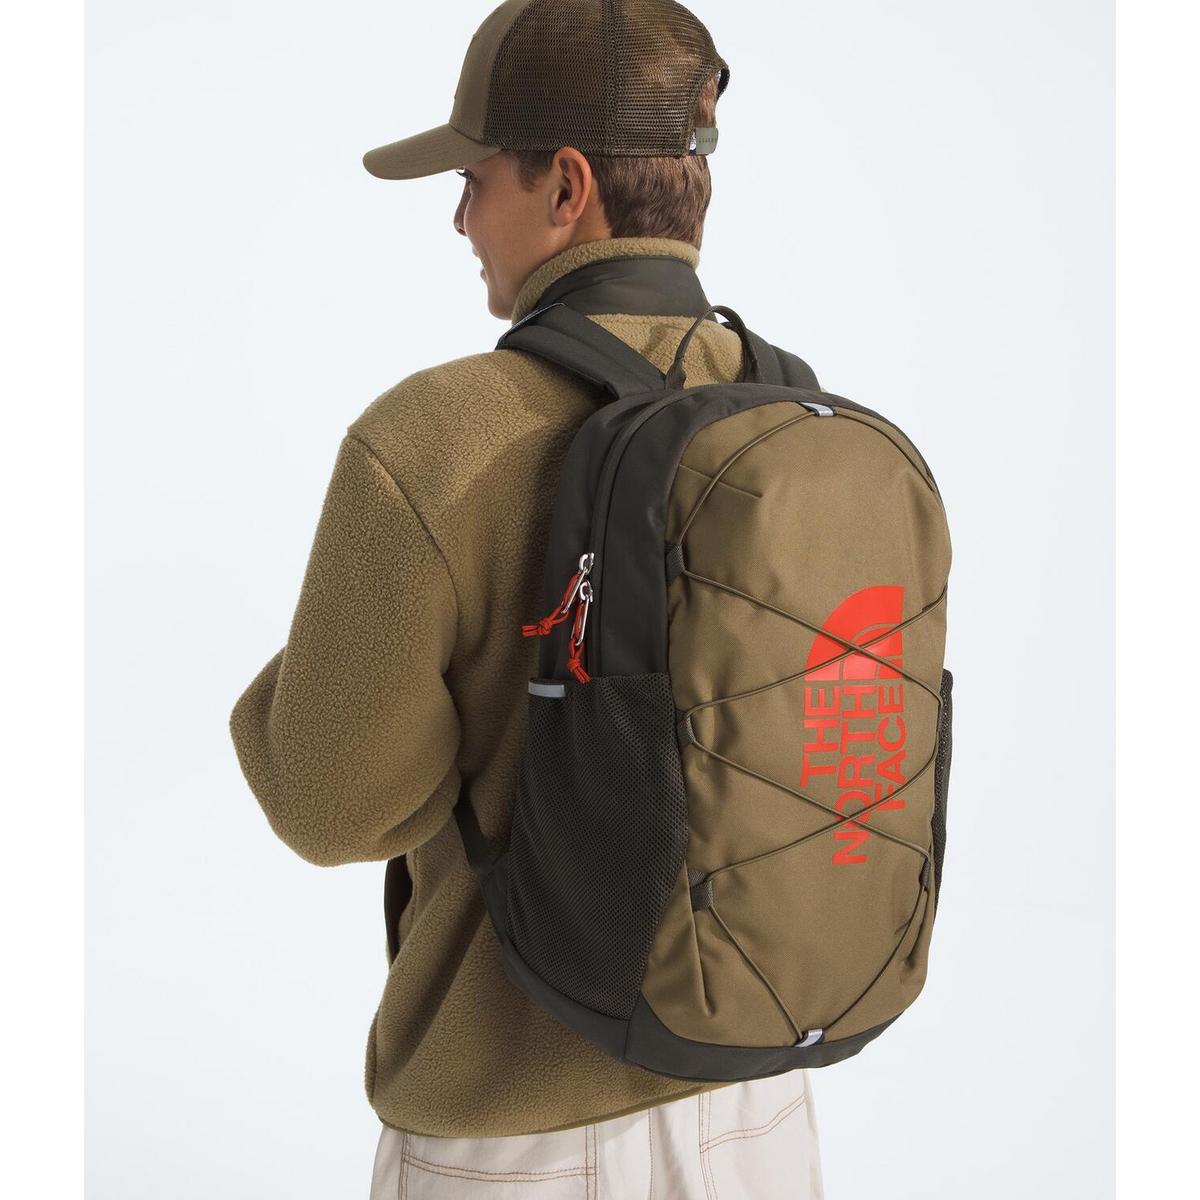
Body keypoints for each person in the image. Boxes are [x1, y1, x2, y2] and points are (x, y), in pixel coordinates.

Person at [229, 1, 824, 1195]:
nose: (457, 218)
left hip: (518, 1121)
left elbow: (331, 808)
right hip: (756, 1093)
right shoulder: (788, 407)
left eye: (473, 178)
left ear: (565, 187)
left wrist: (283, 696)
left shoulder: (437, 435)